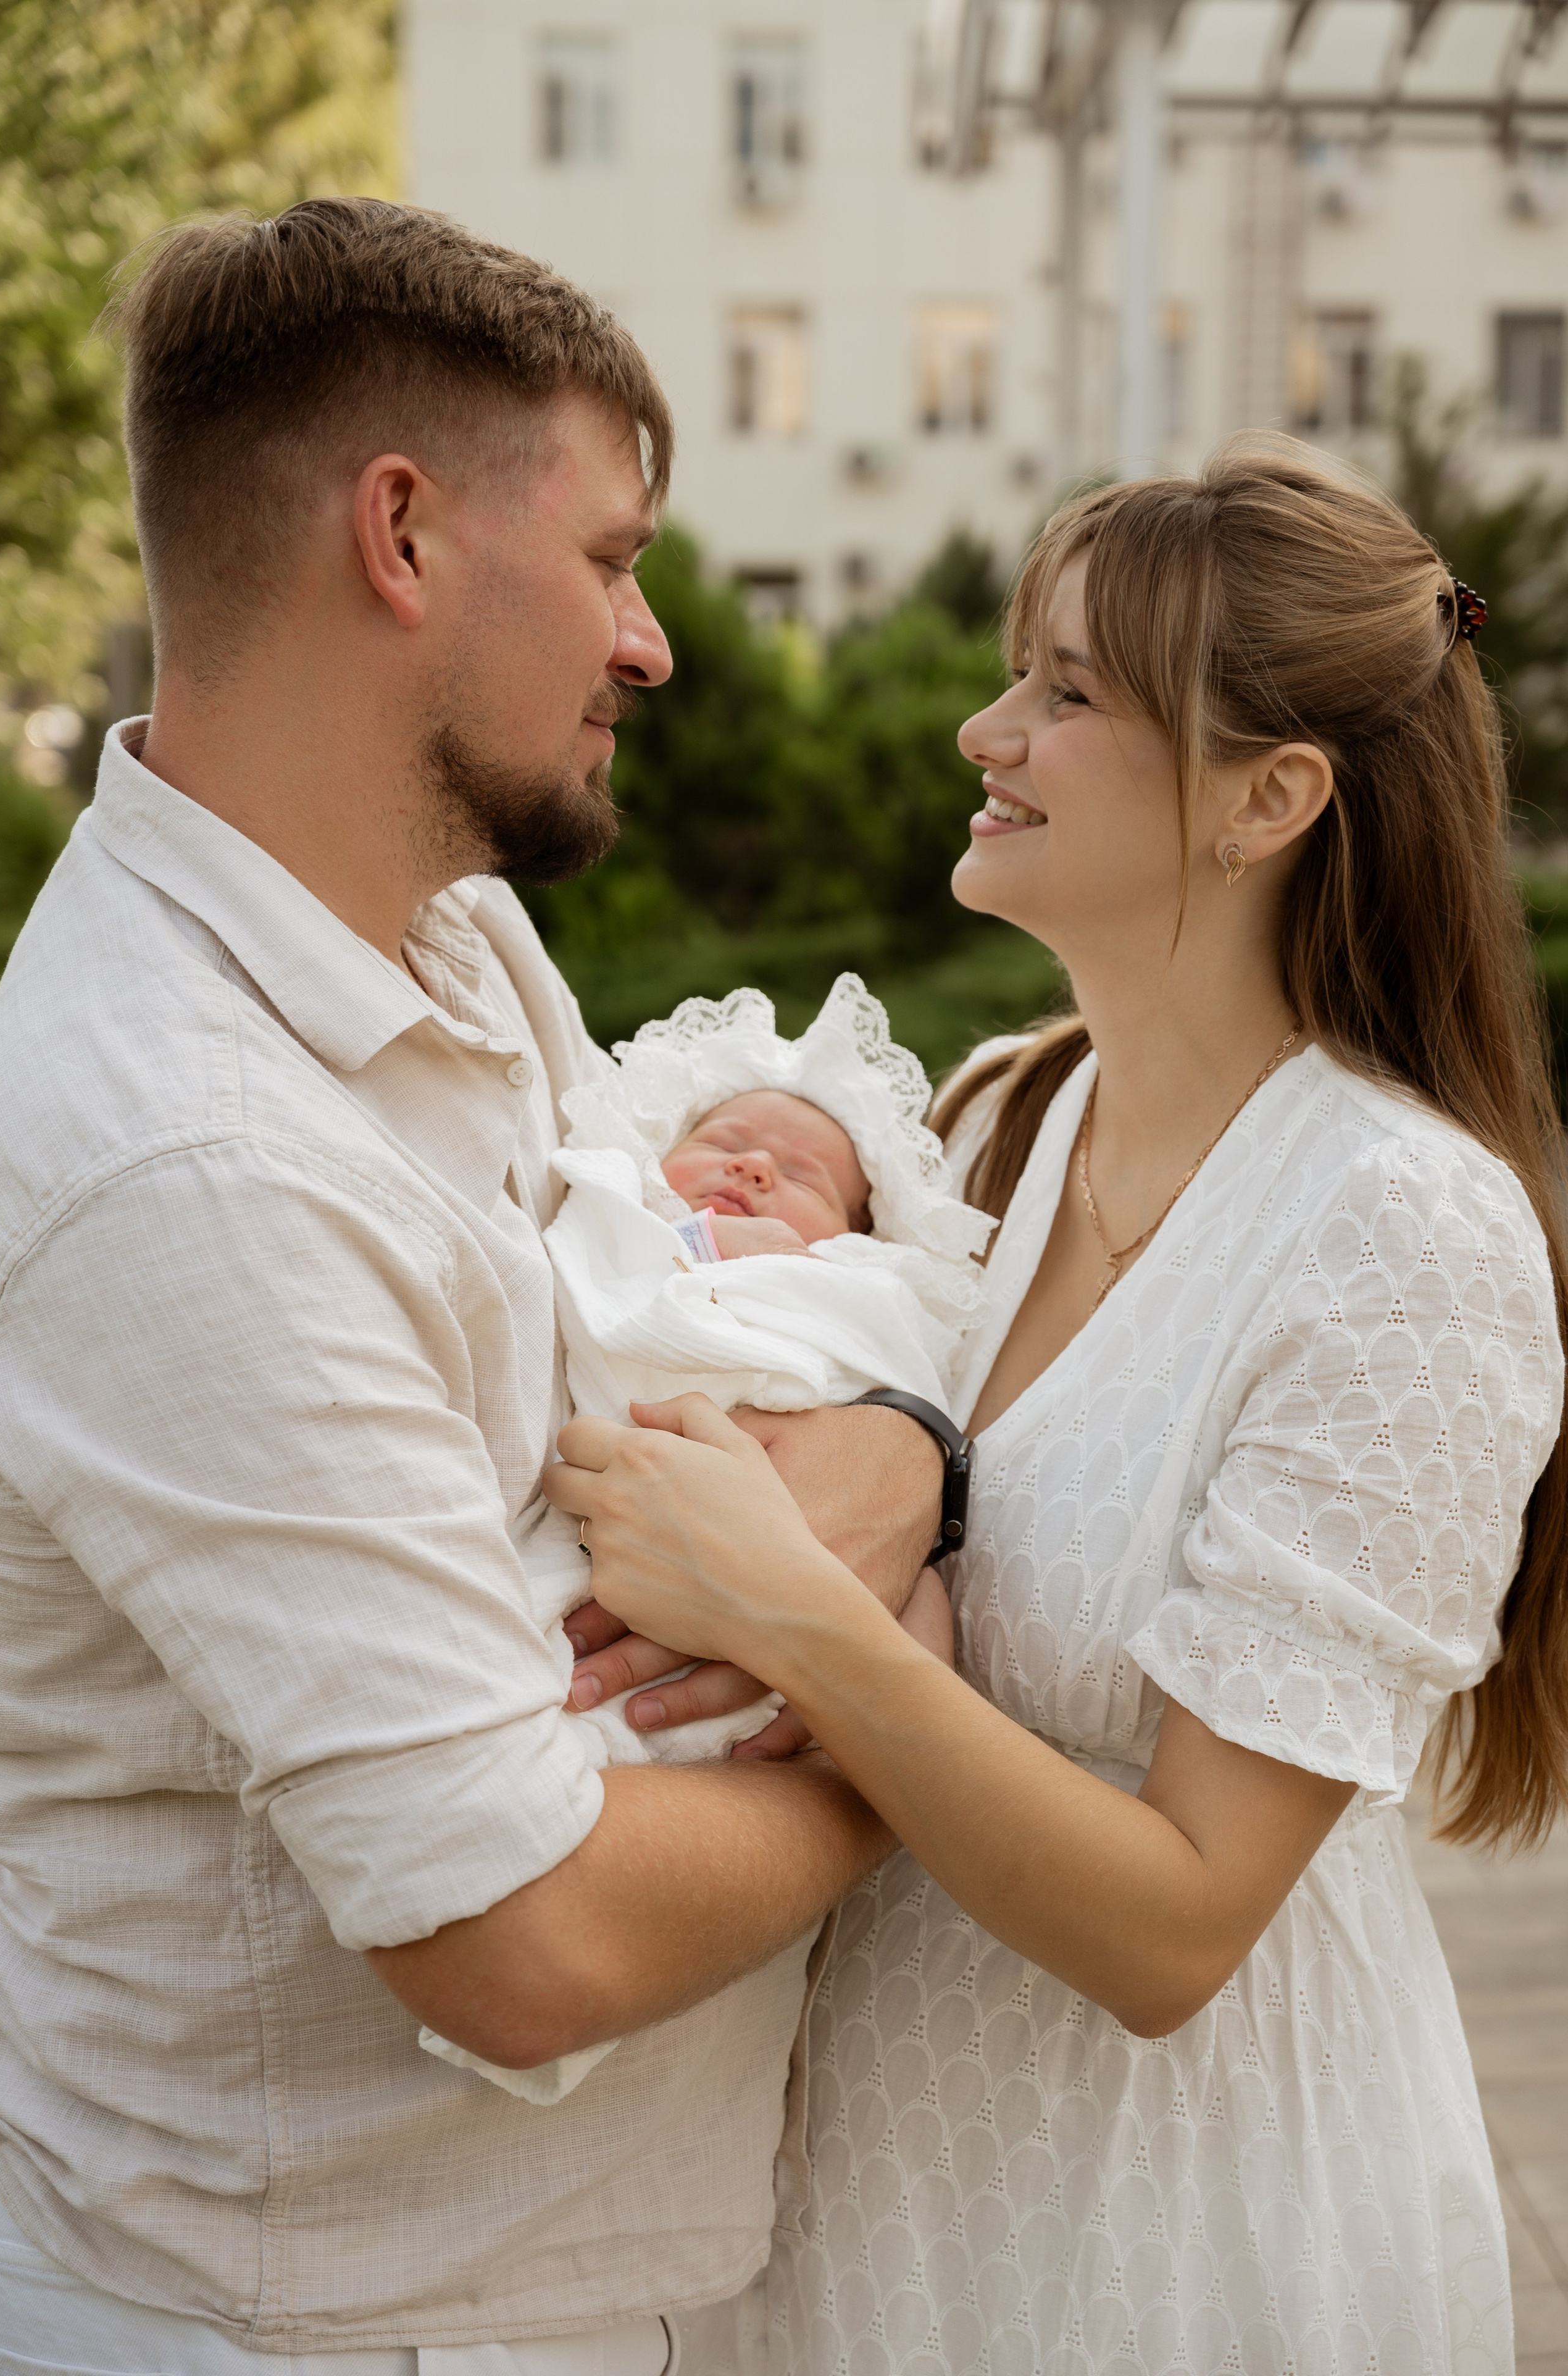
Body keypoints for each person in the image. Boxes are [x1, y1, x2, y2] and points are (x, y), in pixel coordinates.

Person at [0, 199, 951, 2372]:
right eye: (609, 558)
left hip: (533, 2287)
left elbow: (696, 1340)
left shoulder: (444, 935)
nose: (652, 640)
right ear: (401, 535)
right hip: (314, 2322)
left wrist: (897, 1449)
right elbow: (516, 1933)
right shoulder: (192, 1153)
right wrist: (927, 1724)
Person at [550, 440, 1568, 2376]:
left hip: (1176, 2236)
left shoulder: (1406, 1235)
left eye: (1069, 691)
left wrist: (790, 1609)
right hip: (864, 2211)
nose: (983, 724)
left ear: (1269, 799)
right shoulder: (995, 1120)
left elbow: (1178, 1932)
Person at [426, 974, 993, 2109]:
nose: (751, 1173)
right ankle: (547, 1891)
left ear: (862, 1239)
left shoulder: (858, 1292)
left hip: (800, 1537)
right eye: (726, 1144)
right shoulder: (611, 1212)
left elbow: (899, 1371)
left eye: (804, 1181)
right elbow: (600, 1296)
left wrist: (904, 1435)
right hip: (597, 1526)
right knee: (561, 1679)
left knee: (859, 1651)